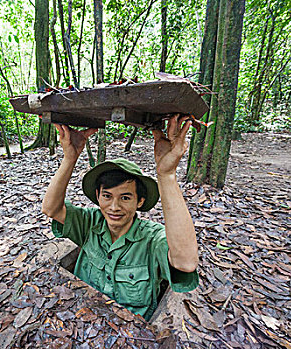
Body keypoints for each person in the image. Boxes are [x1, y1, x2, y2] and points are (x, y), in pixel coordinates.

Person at [42, 114, 199, 321]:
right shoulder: (90, 223)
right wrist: (70, 158)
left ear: (140, 202)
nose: (114, 207)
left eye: (125, 197)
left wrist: (167, 175)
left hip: (132, 335)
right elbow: (51, 209)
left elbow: (186, 263)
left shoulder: (152, 240)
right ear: (98, 196)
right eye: (107, 196)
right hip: (80, 321)